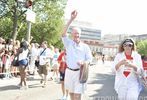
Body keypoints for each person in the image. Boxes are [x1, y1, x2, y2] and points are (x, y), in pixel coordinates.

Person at [61, 10, 93, 100]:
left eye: (78, 33)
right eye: (75, 33)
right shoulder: (68, 43)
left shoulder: (85, 46)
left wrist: (84, 62)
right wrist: (71, 19)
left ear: (80, 35)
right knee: (71, 94)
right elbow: (63, 33)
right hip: (69, 72)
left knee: (77, 95)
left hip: (80, 73)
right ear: (71, 34)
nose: (76, 35)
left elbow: (90, 59)